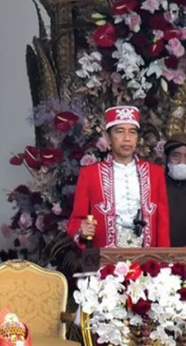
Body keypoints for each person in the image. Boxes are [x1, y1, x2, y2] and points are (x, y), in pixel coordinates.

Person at [68, 105, 170, 249]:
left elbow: (163, 223)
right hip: (105, 263)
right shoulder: (90, 174)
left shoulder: (155, 173)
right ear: (109, 138)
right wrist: (82, 230)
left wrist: (163, 263)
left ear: (137, 138)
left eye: (132, 132)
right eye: (120, 131)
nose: (127, 138)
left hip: (147, 261)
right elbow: (76, 220)